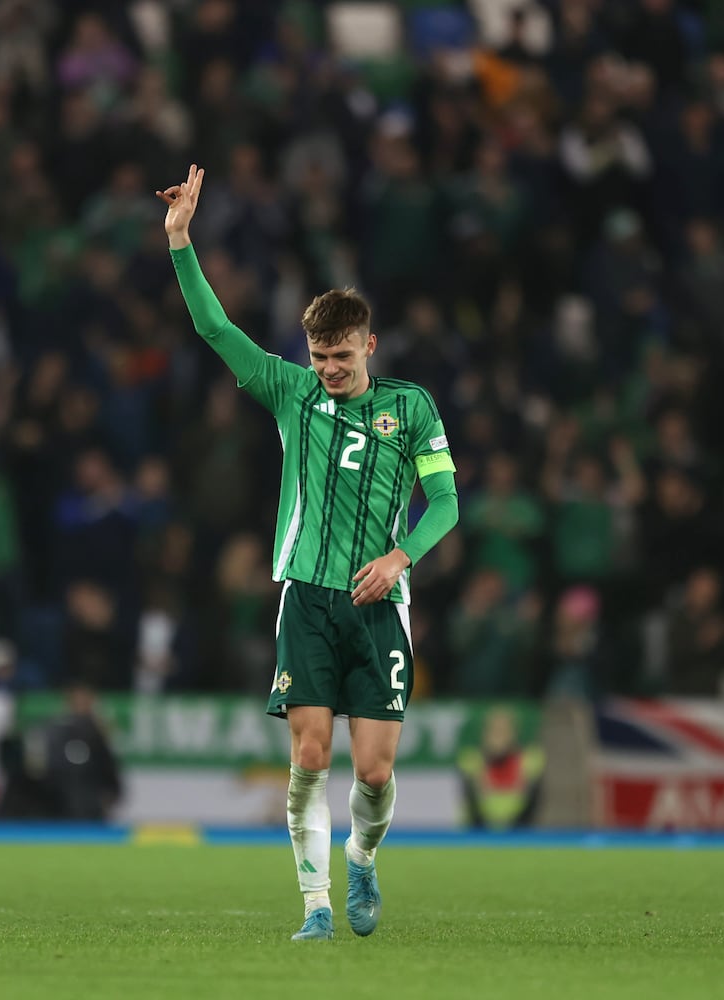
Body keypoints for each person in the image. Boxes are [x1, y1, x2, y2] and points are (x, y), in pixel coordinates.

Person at [156, 164, 459, 941]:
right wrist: (181, 242)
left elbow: (448, 502)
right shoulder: (292, 393)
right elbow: (216, 331)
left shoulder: (412, 408)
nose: (329, 370)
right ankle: (317, 907)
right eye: (319, 356)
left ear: (370, 346)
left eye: (342, 357)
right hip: (308, 597)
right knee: (313, 754)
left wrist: (402, 558)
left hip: (380, 605)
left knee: (375, 771)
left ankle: (362, 857)